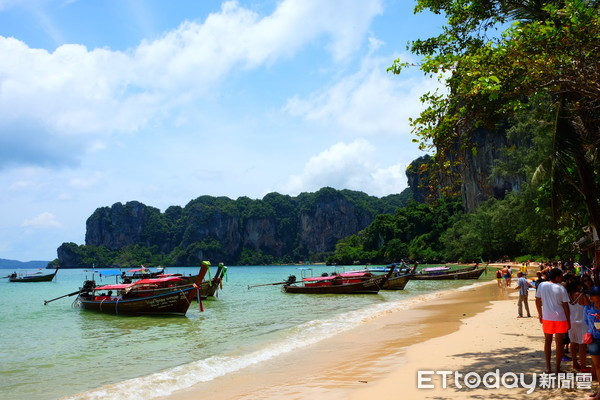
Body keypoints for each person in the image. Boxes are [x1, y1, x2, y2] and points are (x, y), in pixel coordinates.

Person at [535, 268, 571, 373]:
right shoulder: (561, 288)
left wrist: (540, 314)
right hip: (560, 318)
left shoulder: (542, 285)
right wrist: (569, 320)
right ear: (557, 276)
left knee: (548, 342)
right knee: (559, 344)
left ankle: (548, 367)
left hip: (547, 317)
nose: (562, 278)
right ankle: (557, 369)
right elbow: (565, 306)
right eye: (561, 276)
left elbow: (537, 301)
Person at [566, 278, 590, 372]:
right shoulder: (581, 295)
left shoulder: (567, 296)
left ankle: (575, 363)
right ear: (577, 285)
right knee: (582, 345)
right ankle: (583, 366)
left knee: (573, 343)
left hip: (571, 322)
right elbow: (588, 306)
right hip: (582, 322)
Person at [584, 286, 600, 400]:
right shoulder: (588, 308)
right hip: (593, 339)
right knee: (597, 366)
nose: (590, 297)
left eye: (592, 295)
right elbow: (586, 322)